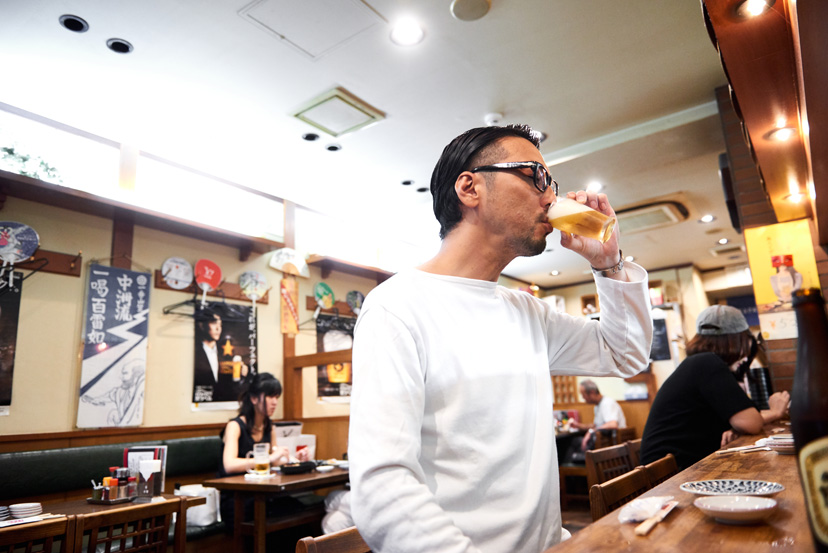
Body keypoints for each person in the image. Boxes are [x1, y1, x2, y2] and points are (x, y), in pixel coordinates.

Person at [348, 124, 653, 553]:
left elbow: (625, 353)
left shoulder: (525, 310)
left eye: (553, 183)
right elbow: (382, 485)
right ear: (470, 188)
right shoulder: (396, 307)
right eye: (536, 176)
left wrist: (609, 264)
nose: (551, 197)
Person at [640, 305, 790, 470]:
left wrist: (735, 426)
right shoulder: (707, 363)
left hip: (679, 468)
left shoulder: (700, 364)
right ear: (737, 338)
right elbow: (750, 422)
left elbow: (743, 419)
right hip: (667, 476)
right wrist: (776, 412)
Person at [217, 372, 309, 524]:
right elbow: (229, 465)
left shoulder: (268, 427)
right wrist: (268, 459)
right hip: (237, 498)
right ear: (253, 398)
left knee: (297, 510)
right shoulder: (235, 426)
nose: (275, 402)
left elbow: (274, 459)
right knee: (281, 514)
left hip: (261, 493)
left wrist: (295, 459)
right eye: (270, 397)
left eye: (276, 397)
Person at [193, 306, 247, 402]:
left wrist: (241, 375)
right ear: (202, 325)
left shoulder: (225, 355)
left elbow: (231, 388)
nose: (218, 328)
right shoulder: (196, 352)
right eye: (214, 323)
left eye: (220, 325)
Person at [570, 379, 626, 451]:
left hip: (611, 441)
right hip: (603, 440)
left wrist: (591, 432)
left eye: (583, 395)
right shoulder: (597, 406)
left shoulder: (607, 403)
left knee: (573, 442)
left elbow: (613, 424)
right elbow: (596, 425)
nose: (583, 398)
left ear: (592, 392)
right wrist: (578, 425)